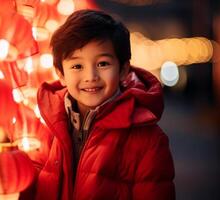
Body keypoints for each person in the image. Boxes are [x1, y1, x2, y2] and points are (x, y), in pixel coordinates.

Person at [22, 9, 175, 200]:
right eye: (77, 66)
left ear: (123, 70)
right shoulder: (48, 129)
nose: (91, 77)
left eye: (102, 64)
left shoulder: (149, 141)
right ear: (61, 74)